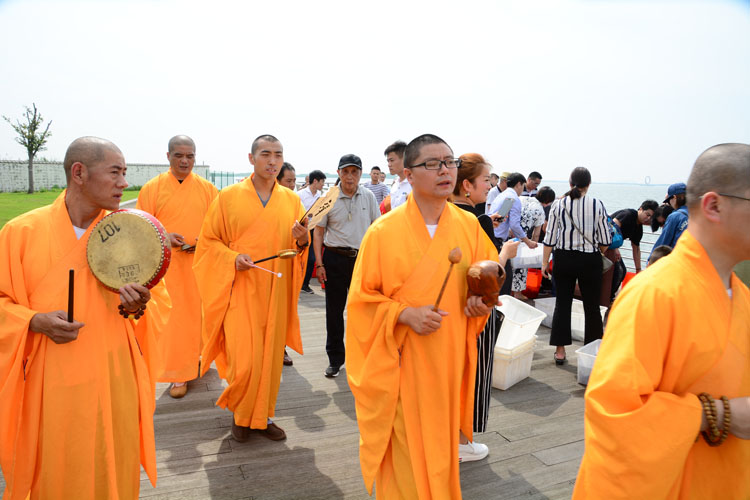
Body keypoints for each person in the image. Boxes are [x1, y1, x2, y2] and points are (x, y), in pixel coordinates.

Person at [572, 143, 750, 499]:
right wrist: (719, 413)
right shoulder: (653, 294)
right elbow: (615, 415)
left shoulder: (742, 296)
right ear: (714, 205)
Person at [0, 136, 170, 499]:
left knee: (113, 463)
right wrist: (33, 320)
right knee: (58, 468)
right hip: (50, 381)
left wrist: (138, 306)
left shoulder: (133, 233)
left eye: (125, 173)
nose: (125, 183)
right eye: (115, 172)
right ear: (79, 172)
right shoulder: (20, 233)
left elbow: (156, 309)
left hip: (113, 374)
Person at [346, 134, 500, 499]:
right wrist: (403, 314)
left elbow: (484, 283)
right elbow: (361, 303)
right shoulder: (382, 233)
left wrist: (479, 304)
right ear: (409, 175)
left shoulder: (468, 226)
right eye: (432, 164)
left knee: (441, 447)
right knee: (405, 453)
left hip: (447, 361)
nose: (444, 170)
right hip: (401, 362)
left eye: (449, 162)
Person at [193, 134, 309, 443]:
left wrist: (302, 239)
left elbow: (299, 249)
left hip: (275, 289)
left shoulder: (291, 199)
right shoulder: (228, 197)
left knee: (270, 359)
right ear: (251, 158)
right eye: (266, 154)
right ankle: (241, 415)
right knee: (244, 359)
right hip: (240, 289)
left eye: (278, 155)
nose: (273, 161)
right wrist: (232, 258)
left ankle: (263, 417)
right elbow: (208, 243)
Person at [136, 135, 218, 398]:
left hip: (200, 264)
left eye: (190, 156)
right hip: (167, 268)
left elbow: (218, 226)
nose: (185, 161)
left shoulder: (207, 189)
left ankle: (199, 360)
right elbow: (140, 227)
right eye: (179, 155)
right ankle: (177, 375)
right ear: (168, 156)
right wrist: (164, 237)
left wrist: (202, 242)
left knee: (200, 317)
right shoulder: (152, 188)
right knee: (175, 321)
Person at [451, 152, 519, 462]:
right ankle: (464, 440)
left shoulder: (445, 214)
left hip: (449, 311)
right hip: (475, 312)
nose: (489, 187)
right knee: (473, 374)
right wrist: (505, 251)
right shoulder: (476, 220)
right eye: (484, 181)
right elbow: (491, 275)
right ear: (467, 185)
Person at [313, 154, 379, 378]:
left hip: (362, 260)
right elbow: (319, 231)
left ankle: (363, 357)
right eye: (345, 171)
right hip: (334, 259)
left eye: (355, 172)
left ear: (361, 174)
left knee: (363, 311)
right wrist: (319, 264)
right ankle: (335, 359)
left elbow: (376, 229)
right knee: (334, 311)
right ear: (338, 173)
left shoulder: (369, 196)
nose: (350, 176)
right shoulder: (327, 198)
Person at [541, 167, 611, 364]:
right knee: (592, 307)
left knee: (562, 304)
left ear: (570, 183)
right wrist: (599, 253)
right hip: (589, 260)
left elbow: (550, 237)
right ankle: (592, 351)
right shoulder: (597, 204)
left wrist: (545, 262)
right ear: (588, 185)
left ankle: (561, 351)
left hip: (563, 258)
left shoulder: (558, 205)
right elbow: (605, 238)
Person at [608, 200, 658, 300]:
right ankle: (608, 298)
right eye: (647, 214)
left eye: (650, 217)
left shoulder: (638, 228)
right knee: (618, 271)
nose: (647, 218)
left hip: (612, 247)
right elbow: (611, 227)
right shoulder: (628, 215)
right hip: (604, 244)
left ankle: (610, 297)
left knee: (622, 271)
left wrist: (638, 270)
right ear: (640, 209)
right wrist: (615, 248)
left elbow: (636, 249)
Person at [511, 187, 555, 300]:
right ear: (547, 202)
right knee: (520, 266)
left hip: (507, 235)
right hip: (522, 238)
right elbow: (536, 234)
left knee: (507, 264)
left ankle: (507, 291)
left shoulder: (521, 198)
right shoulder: (540, 211)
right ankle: (517, 294)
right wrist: (532, 245)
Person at [489, 172, 538, 250]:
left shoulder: (504, 195)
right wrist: (528, 242)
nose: (522, 190)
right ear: (519, 184)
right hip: (496, 240)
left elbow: (499, 219)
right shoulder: (513, 198)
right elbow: (514, 225)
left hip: (490, 236)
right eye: (523, 186)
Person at [298, 169, 327, 294]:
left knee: (312, 258)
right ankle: (298, 282)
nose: (323, 185)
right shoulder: (300, 194)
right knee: (300, 258)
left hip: (315, 230)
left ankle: (305, 284)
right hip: (302, 230)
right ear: (315, 181)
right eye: (322, 182)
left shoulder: (321, 196)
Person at [650, 182, 688, 256]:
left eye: (668, 201)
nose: (669, 204)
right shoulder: (697, 213)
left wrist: (650, 260)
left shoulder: (675, 216)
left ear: (674, 198)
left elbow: (663, 243)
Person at [385, 140, 412, 209]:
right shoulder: (395, 184)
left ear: (404, 159)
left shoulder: (415, 184)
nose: (389, 165)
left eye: (392, 160)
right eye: (388, 161)